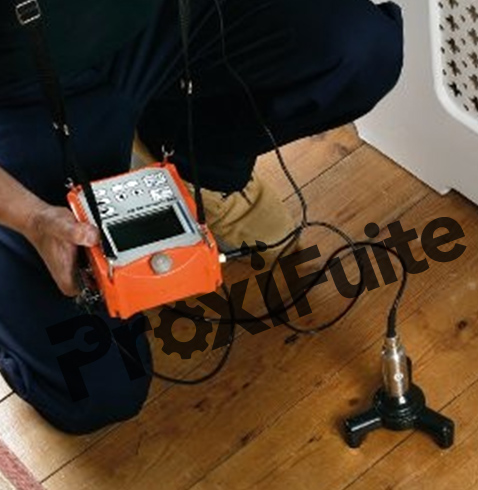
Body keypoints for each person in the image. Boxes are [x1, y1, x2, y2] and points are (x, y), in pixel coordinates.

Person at [0, 0, 403, 434]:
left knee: (358, 50)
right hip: (20, 101)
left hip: (157, 23)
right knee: (97, 393)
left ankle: (193, 162)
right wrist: (32, 218)